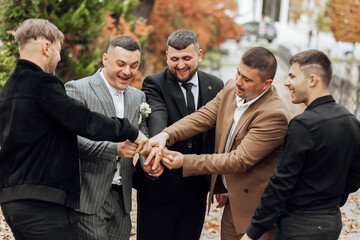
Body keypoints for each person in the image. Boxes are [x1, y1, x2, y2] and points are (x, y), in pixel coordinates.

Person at [0, 19, 149, 240]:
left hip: (13, 199)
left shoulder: (9, 88)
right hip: (44, 204)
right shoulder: (41, 84)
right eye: (59, 51)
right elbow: (85, 121)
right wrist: (129, 129)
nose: (59, 58)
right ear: (46, 47)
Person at [149, 46, 290, 240]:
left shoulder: (274, 115)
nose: (238, 82)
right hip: (234, 204)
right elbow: (203, 117)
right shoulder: (232, 88)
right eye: (238, 73)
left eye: (247, 79)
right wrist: (166, 135)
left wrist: (185, 162)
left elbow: (239, 160)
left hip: (257, 212)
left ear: (266, 84)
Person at [241, 49, 360, 240]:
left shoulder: (303, 124)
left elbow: (281, 183)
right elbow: (355, 176)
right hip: (331, 223)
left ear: (312, 80)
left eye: (292, 76)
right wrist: (332, 202)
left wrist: (253, 232)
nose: (287, 82)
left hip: (299, 227)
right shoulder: (351, 121)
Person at [64, 36, 162, 240]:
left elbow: (144, 138)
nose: (127, 71)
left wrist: (150, 163)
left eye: (134, 65)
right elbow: (69, 140)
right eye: (121, 64)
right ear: (105, 59)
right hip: (87, 197)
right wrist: (114, 149)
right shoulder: (77, 89)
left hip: (123, 201)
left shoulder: (138, 97)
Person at [133, 29, 224, 240]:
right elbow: (157, 114)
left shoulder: (216, 85)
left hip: (196, 187)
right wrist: (159, 143)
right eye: (174, 59)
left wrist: (221, 182)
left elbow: (219, 136)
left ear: (199, 55)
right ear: (166, 56)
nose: (180, 65)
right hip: (160, 186)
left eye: (186, 58)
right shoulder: (154, 83)